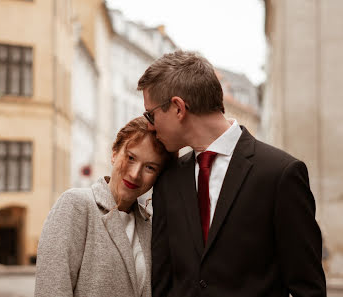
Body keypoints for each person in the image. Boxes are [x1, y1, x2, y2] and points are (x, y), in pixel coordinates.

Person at [137, 50, 326, 297]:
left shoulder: (280, 175)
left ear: (178, 108)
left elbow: (308, 288)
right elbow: (162, 284)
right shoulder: (168, 180)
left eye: (151, 115)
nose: (150, 126)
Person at [34, 116, 175, 297]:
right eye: (131, 158)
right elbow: (51, 290)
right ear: (115, 153)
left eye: (150, 168)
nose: (134, 174)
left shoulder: (150, 225)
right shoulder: (75, 205)